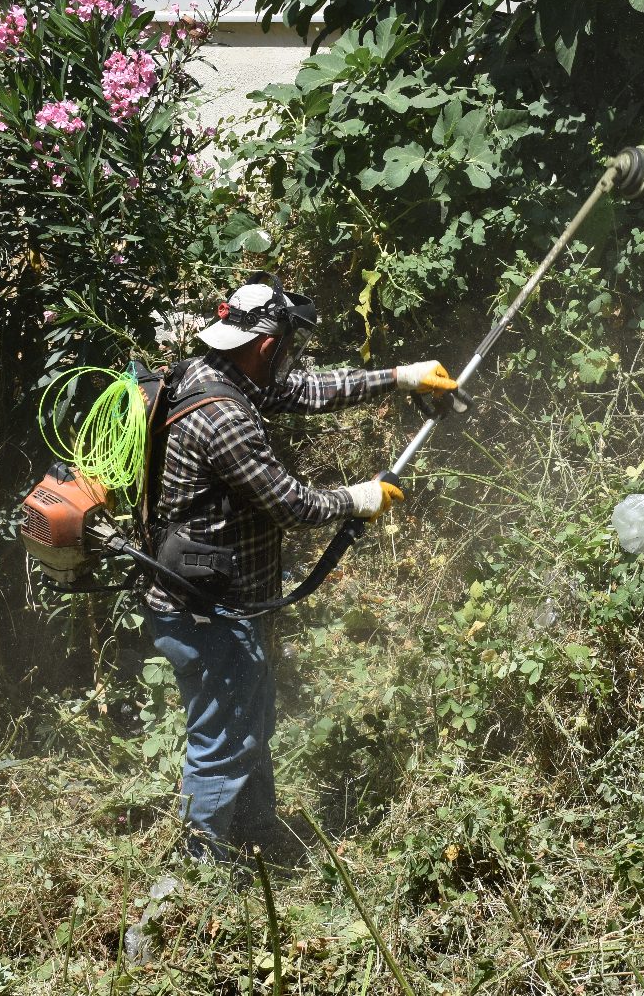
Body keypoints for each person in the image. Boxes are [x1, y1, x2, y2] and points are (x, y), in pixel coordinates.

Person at [140, 274, 455, 861]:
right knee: (223, 743)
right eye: (286, 346)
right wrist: (359, 498)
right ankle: (194, 877)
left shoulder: (209, 375)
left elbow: (309, 391)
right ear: (266, 344)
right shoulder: (225, 417)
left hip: (208, 602)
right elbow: (290, 503)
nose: (290, 359)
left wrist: (398, 377)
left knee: (247, 726)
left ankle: (255, 838)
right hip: (208, 614)